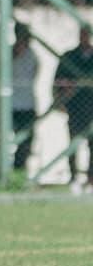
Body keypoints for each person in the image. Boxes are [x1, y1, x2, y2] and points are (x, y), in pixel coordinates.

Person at [55, 26, 93, 194]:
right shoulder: (69, 56)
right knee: (73, 142)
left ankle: (90, 179)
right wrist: (61, 98)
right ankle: (74, 177)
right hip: (74, 106)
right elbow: (58, 80)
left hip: (91, 106)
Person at [9, 25, 39, 173]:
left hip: (27, 104)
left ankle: (20, 168)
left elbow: (35, 72)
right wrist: (15, 54)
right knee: (7, 138)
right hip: (11, 105)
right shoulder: (8, 53)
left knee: (27, 139)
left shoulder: (32, 55)